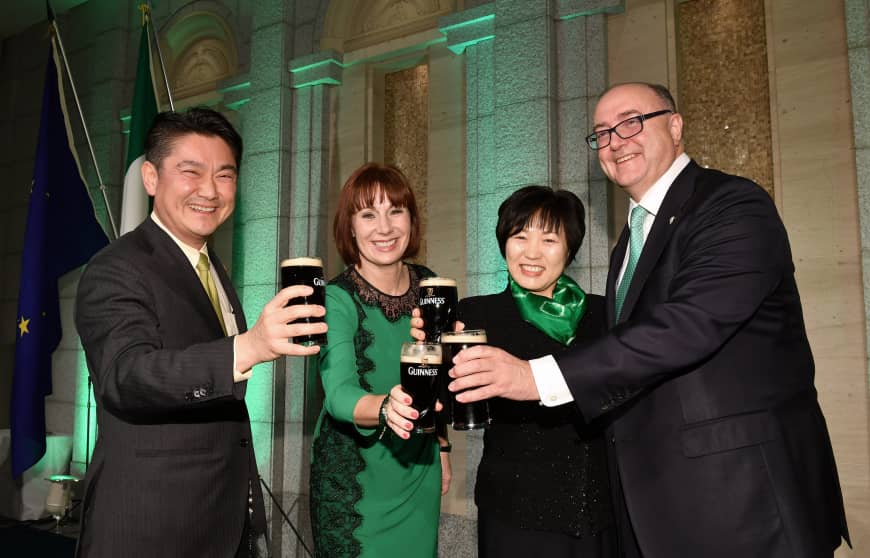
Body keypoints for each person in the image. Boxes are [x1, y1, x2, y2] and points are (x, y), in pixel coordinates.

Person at [444, 83, 851, 558]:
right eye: (602, 133)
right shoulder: (633, 238)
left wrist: (531, 375)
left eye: (632, 122)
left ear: (675, 126)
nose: (616, 140)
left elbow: (689, 324)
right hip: (645, 504)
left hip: (737, 496)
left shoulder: (730, 204)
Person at [74, 107, 327, 558]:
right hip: (151, 528)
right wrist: (247, 347)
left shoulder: (211, 267)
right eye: (190, 172)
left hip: (220, 523)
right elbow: (125, 375)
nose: (209, 191)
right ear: (151, 178)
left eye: (224, 175)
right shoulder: (116, 267)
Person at [454, 186, 615, 557]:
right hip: (514, 512)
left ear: (570, 248)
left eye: (549, 239)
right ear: (503, 243)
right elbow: (449, 400)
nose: (531, 253)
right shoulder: (476, 315)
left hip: (598, 509)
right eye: (519, 236)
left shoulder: (605, 314)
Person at [309, 163, 450, 558]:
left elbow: (436, 383)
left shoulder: (431, 285)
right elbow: (338, 395)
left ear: (412, 219)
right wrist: (387, 407)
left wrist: (442, 446)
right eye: (368, 214)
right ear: (350, 227)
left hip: (418, 469)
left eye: (396, 211)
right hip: (355, 479)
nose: (385, 227)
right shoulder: (336, 298)